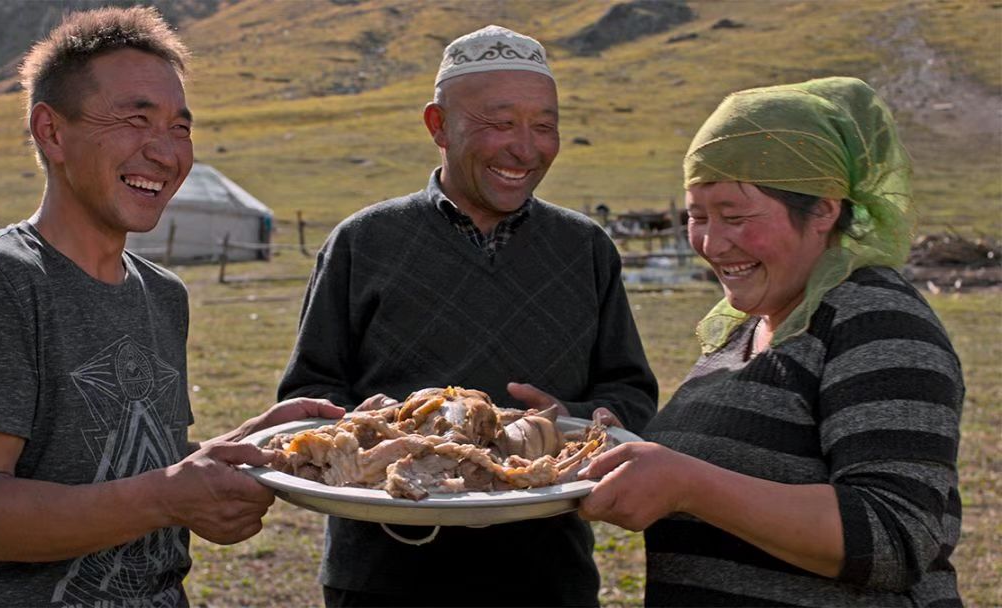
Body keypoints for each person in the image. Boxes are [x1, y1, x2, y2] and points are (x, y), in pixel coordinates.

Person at [0, 8, 342, 606]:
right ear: (52, 132)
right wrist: (171, 496)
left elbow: (128, 465)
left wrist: (252, 443)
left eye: (179, 128)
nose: (165, 152)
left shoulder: (162, 294)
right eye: (134, 119)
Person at [277, 24, 658, 608]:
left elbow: (628, 392)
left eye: (544, 125)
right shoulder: (364, 241)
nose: (525, 148)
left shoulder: (584, 248)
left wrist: (566, 422)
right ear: (438, 126)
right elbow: (311, 390)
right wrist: (388, 435)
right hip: (383, 572)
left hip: (545, 571)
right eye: (500, 123)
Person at [579, 77, 964, 606]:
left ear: (824, 210)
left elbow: (895, 537)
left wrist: (689, 485)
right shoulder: (746, 328)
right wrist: (587, 443)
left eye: (736, 217)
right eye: (697, 217)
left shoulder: (876, 319)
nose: (712, 244)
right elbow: (723, 460)